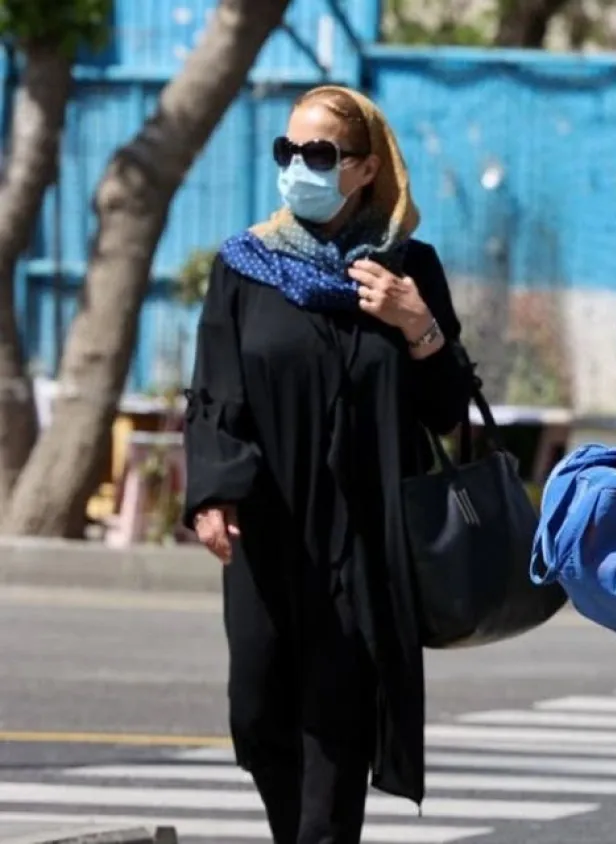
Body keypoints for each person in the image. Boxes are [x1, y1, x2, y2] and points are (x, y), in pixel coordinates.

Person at [183, 85, 471, 843]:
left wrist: (418, 326)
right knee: (258, 713)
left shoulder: (408, 271)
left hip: (367, 534)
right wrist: (214, 493)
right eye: (289, 152)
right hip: (269, 528)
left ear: (366, 168)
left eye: (319, 155)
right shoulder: (246, 267)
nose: (298, 168)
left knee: (337, 723)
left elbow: (448, 412)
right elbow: (215, 391)